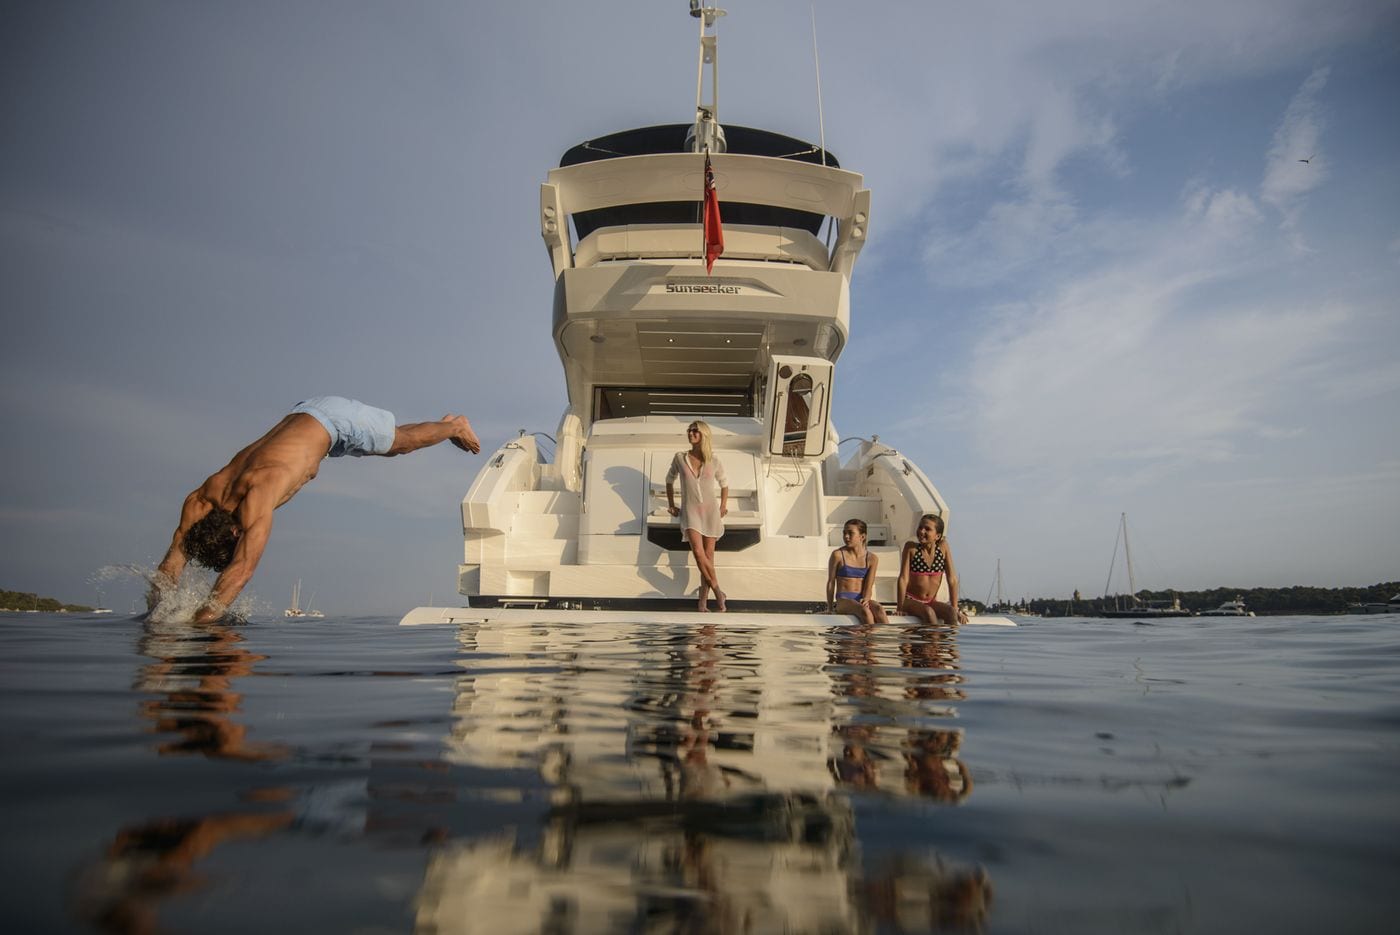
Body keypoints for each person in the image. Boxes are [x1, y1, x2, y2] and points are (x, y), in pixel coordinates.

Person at [149, 396, 480, 624]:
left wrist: (202, 621)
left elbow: (242, 569)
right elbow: (171, 565)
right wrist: (157, 616)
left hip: (333, 419)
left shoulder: (258, 494)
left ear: (235, 531)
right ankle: (443, 425)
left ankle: (455, 426)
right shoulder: (202, 501)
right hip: (306, 416)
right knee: (393, 443)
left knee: (399, 445)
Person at [665, 420, 728, 612]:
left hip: (711, 513)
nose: (691, 433)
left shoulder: (714, 460)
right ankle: (718, 592)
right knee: (699, 555)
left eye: (695, 431)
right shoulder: (680, 458)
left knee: (709, 558)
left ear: (703, 435)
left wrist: (723, 506)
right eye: (689, 430)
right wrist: (672, 505)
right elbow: (669, 480)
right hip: (690, 513)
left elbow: (724, 484)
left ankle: (702, 603)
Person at [896, 513, 968, 625]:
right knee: (929, 612)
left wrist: (955, 608)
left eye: (927, 529)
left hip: (931, 601)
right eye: (920, 527)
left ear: (937, 536)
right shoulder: (911, 548)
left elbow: (952, 579)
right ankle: (934, 642)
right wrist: (900, 608)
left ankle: (950, 642)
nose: (921, 531)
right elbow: (903, 579)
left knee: (950, 613)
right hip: (910, 600)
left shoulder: (943, 547)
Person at [826, 518, 889, 625]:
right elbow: (831, 582)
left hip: (861, 599)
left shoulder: (872, 559)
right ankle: (871, 641)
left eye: (850, 533)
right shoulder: (837, 555)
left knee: (879, 610)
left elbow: (868, 586)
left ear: (862, 537)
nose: (846, 536)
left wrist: (866, 599)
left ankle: (888, 639)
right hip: (843, 601)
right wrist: (830, 608)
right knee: (865, 611)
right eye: (844, 533)